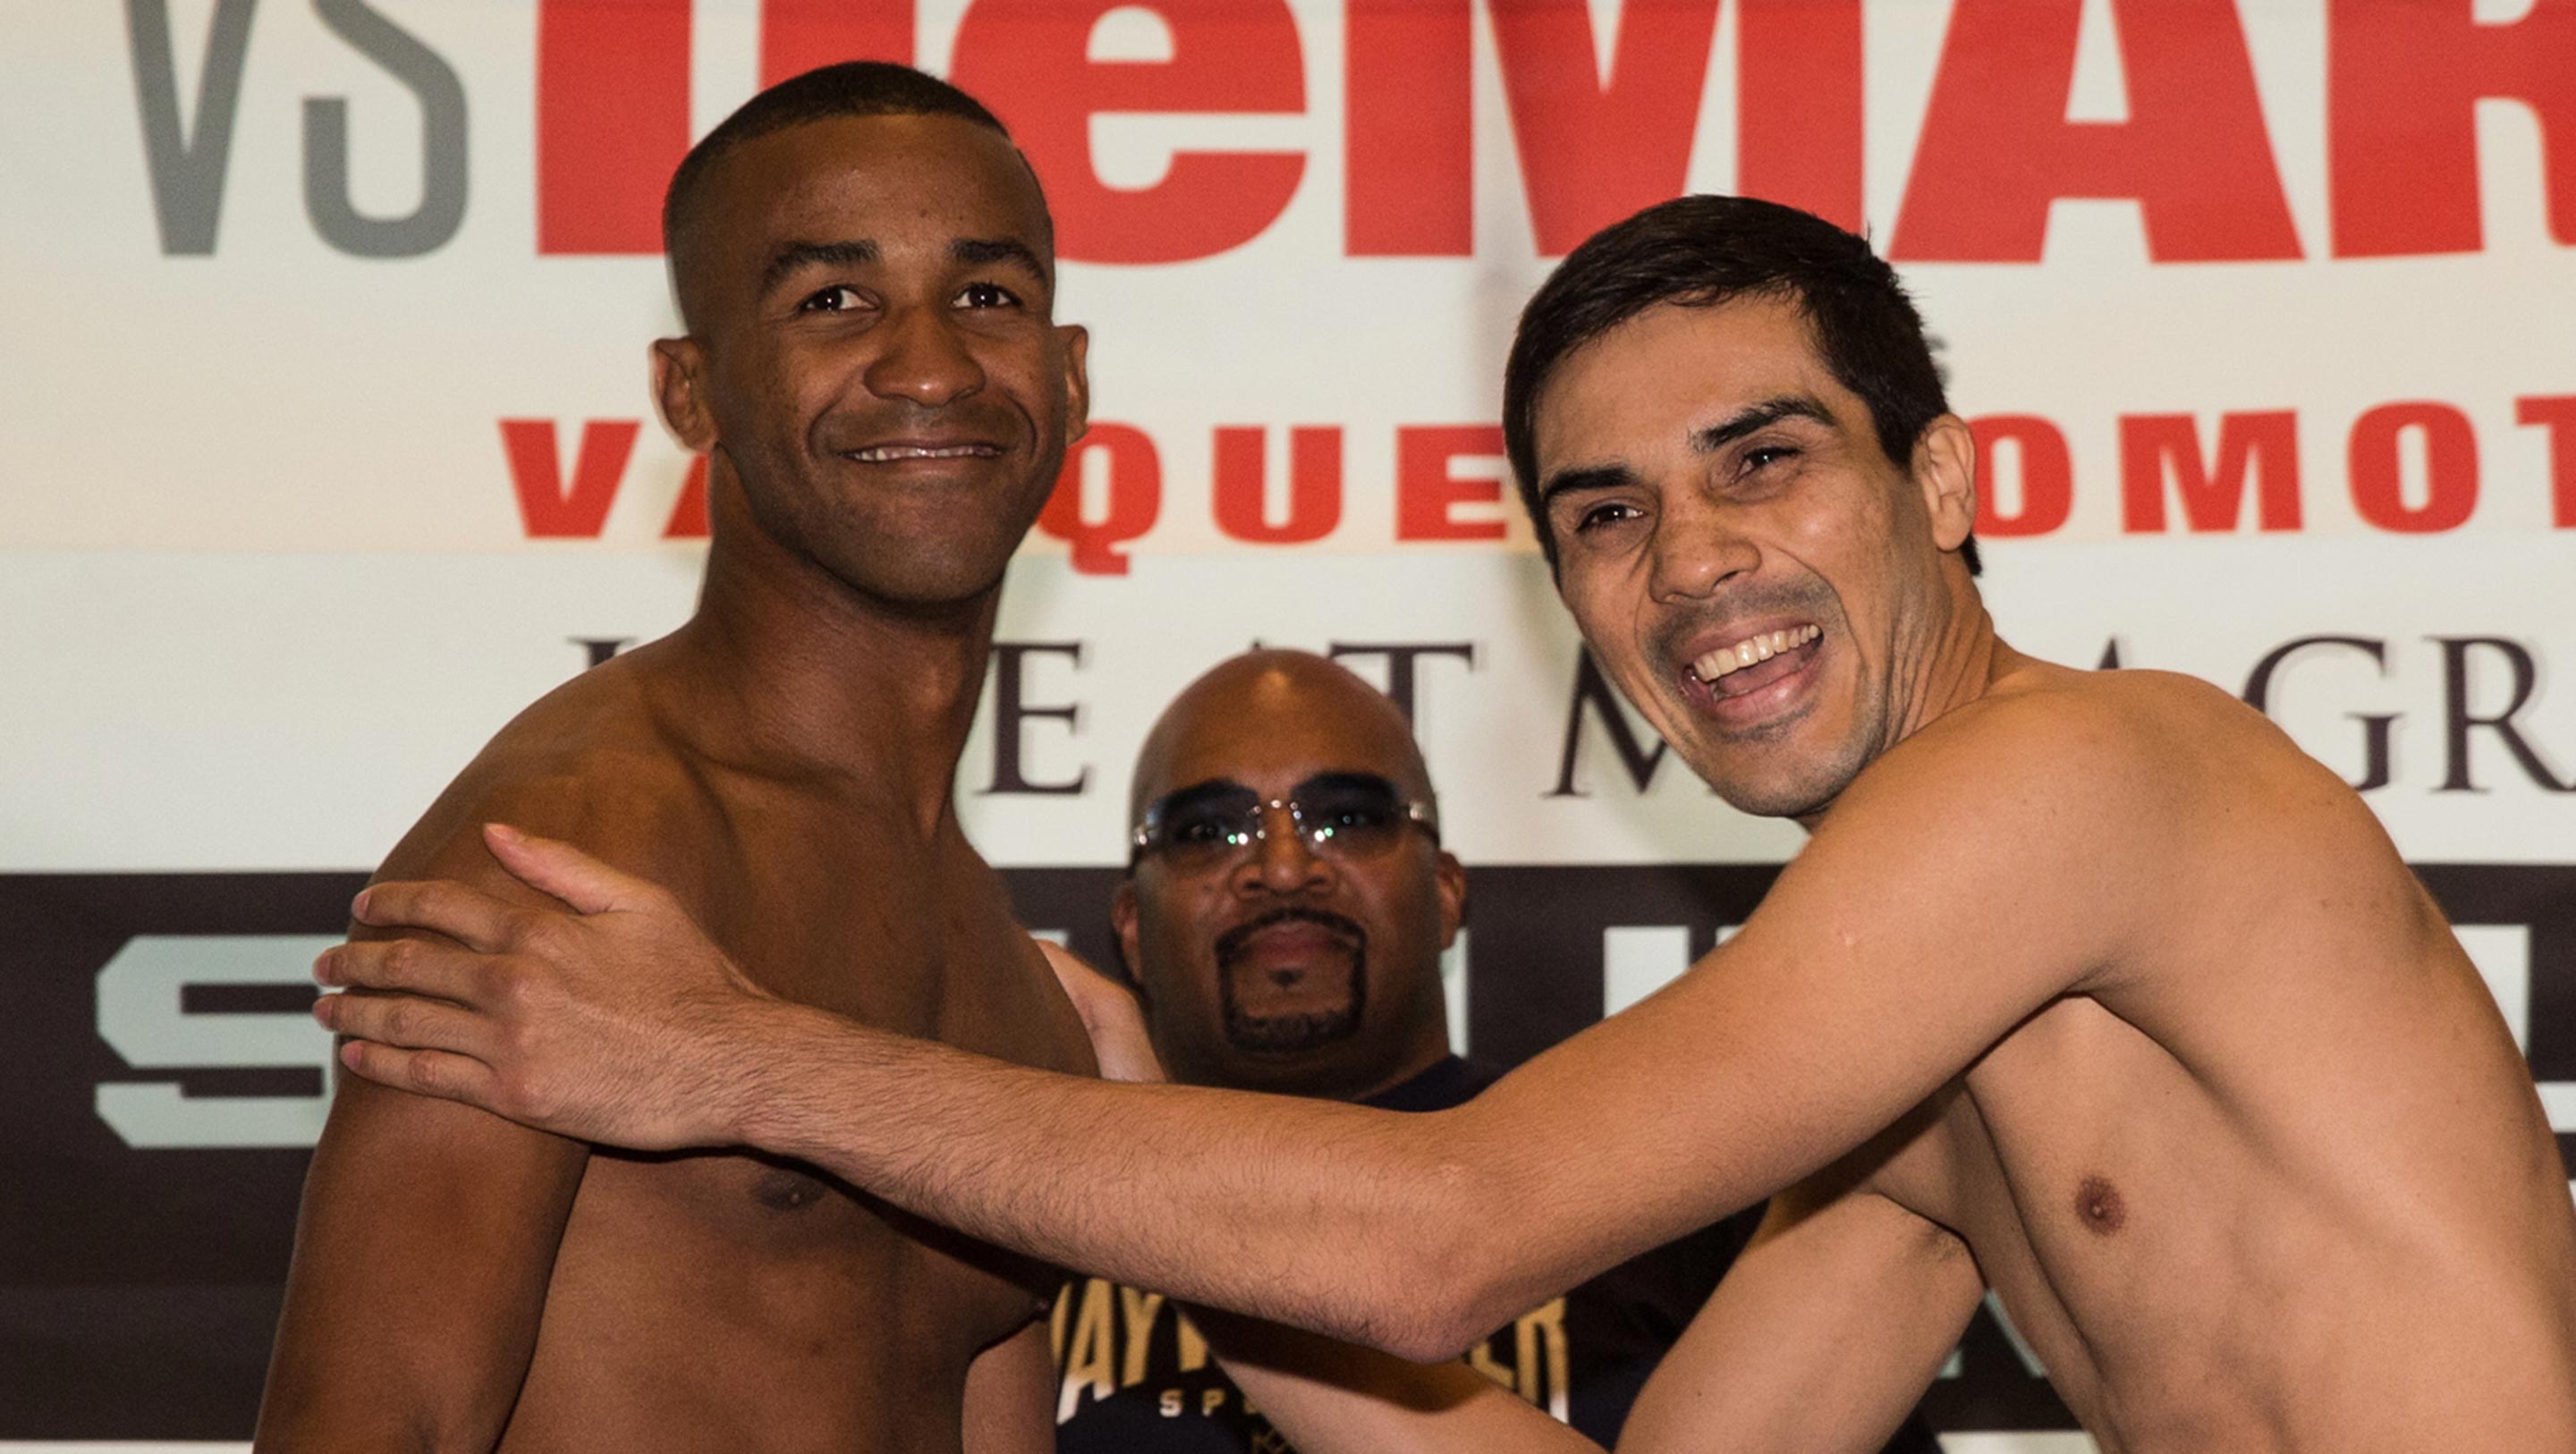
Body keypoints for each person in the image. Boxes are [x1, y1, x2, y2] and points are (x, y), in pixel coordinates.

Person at [309, 197, 2576, 1451]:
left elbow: (1449, 1237)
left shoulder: (2092, 776)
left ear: (1946, 482)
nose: (1693, 561)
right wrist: (1132, 1127)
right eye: (1607, 513)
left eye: (1762, 460)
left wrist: (734, 1058)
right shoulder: (1934, 1075)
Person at [255, 63, 1099, 1452]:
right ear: (689, 392)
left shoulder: (1012, 977)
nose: (932, 364)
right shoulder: (571, 852)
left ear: (1069, 374)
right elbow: (366, 1428)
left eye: (988, 293)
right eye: (833, 300)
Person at [1058, 648, 1940, 1451]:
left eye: (1349, 818)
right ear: (1128, 926)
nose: (1284, 867)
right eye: (1208, 832)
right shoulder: (1035, 1216)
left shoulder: (1669, 1196)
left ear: (1446, 894)